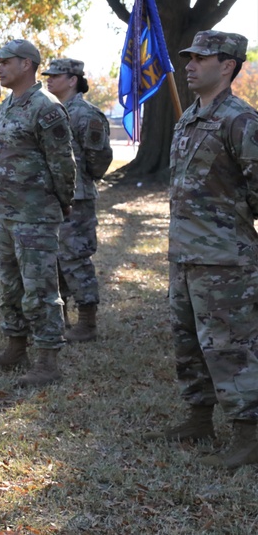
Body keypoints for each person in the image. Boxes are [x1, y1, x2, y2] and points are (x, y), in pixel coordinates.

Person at [147, 30, 258, 470]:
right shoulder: (188, 118)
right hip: (186, 255)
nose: (189, 65)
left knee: (230, 348)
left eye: (201, 58)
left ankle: (250, 435)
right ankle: (198, 418)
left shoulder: (242, 120)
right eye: (188, 57)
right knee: (188, 342)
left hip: (226, 261)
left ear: (227, 65)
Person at [0, 38, 75, 387]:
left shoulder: (46, 107)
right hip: (8, 212)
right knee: (10, 285)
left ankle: (47, 360)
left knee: (40, 288)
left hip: (36, 215)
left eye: (4, 61)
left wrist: (60, 204)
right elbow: (17, 151)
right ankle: (15, 347)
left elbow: (62, 164)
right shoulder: (11, 105)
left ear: (26, 64)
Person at [42, 59, 112, 342]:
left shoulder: (86, 114)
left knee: (76, 258)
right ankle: (61, 316)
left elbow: (99, 158)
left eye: (55, 76)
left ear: (73, 80)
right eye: (48, 75)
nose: (49, 80)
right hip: (53, 198)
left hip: (78, 198)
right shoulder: (51, 111)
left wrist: (84, 181)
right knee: (55, 259)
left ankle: (87, 322)